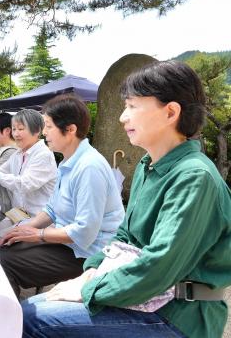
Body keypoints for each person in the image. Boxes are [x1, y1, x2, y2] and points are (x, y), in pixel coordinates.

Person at [22, 61, 231, 338]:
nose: (123, 117)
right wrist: (91, 271)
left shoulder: (194, 176)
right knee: (27, 310)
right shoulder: (150, 165)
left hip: (179, 315)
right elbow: (124, 237)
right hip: (145, 299)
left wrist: (89, 290)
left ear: (170, 112)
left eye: (132, 106)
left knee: (33, 319)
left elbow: (159, 267)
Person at [0, 95, 125, 297]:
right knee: (5, 247)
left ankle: (10, 323)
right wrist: (23, 229)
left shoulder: (89, 167)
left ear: (71, 130)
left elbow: (85, 232)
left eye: (48, 126)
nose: (45, 132)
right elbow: (51, 209)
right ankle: (6, 318)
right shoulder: (69, 161)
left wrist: (38, 235)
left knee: (3, 262)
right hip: (67, 243)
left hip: (89, 253)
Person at [0, 109, 57, 221]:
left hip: (38, 218)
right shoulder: (18, 153)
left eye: (21, 129)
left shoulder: (43, 155)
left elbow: (25, 185)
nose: (16, 134)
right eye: (14, 129)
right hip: (19, 214)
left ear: (36, 131)